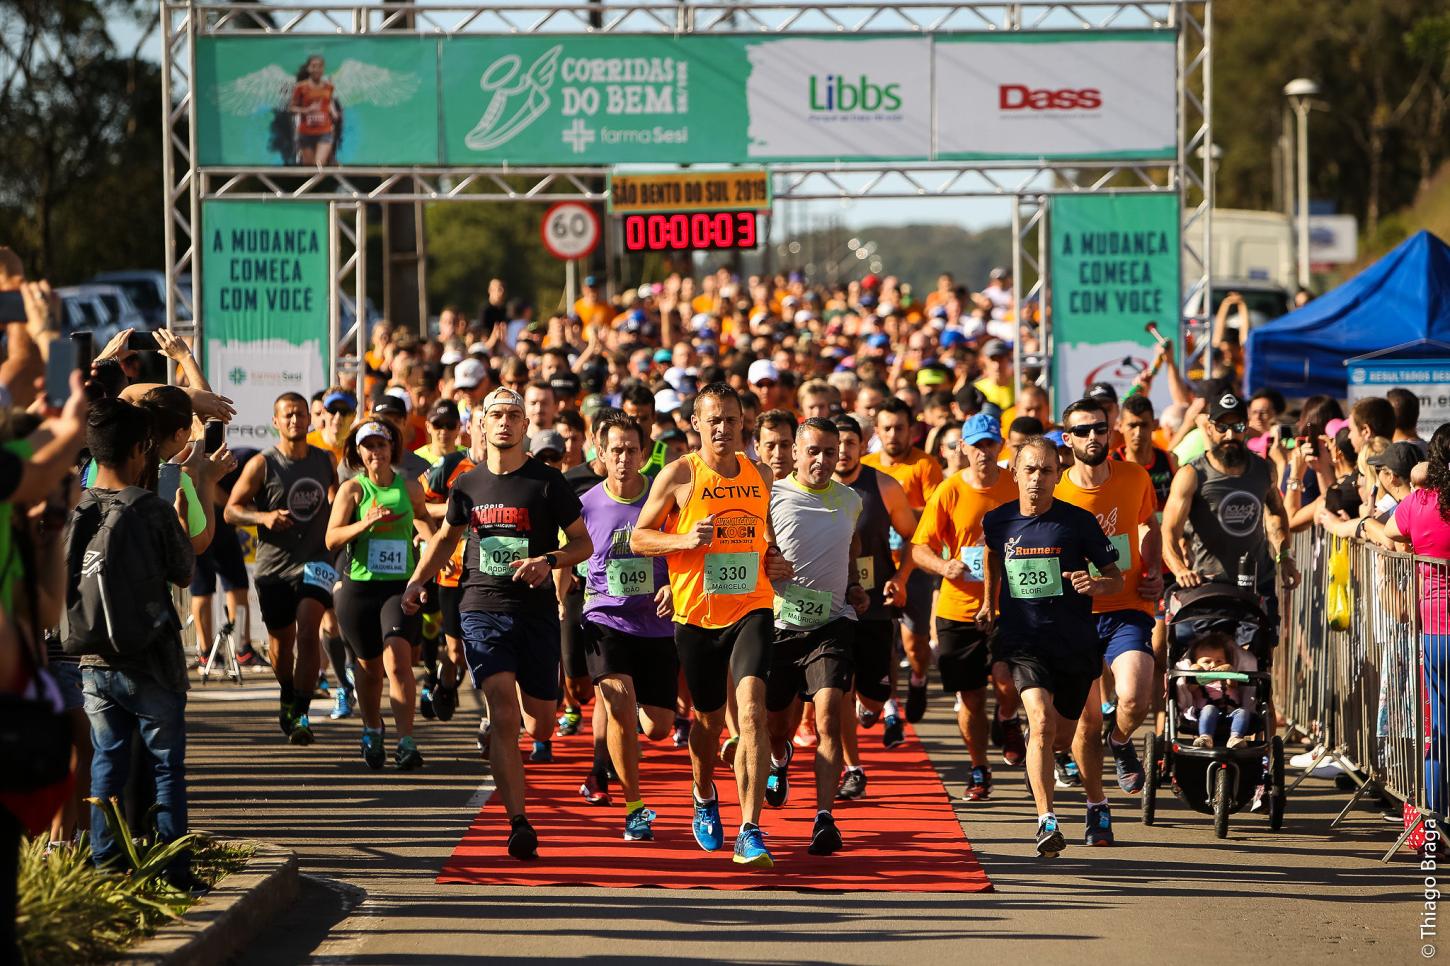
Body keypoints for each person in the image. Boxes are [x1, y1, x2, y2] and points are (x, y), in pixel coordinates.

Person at [402, 388, 592, 860]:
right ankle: (518, 822)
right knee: (504, 714)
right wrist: (415, 582)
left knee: (541, 724)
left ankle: (520, 734)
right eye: (496, 416)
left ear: (525, 426)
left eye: (513, 416)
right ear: (480, 427)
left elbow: (583, 544)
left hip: (536, 613)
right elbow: (446, 538)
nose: (504, 423)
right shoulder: (466, 484)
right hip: (481, 607)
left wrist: (548, 560)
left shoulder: (547, 482)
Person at [630, 383, 793, 869]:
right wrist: (682, 539)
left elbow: (761, 535)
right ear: (696, 426)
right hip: (698, 617)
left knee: (751, 713)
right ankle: (703, 793)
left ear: (744, 423)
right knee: (705, 724)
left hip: (752, 606)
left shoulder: (760, 472)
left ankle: (751, 829)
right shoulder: (679, 473)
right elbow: (639, 538)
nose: (723, 429)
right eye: (714, 420)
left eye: (732, 419)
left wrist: (772, 557)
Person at [67, 398, 203, 892]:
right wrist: (184, 515)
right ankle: (173, 871)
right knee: (166, 765)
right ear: (140, 450)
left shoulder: (76, 508)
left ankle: (107, 866)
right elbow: (183, 569)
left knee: (107, 760)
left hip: (91, 656)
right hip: (150, 659)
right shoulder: (150, 509)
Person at [977, 436, 1123, 858]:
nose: (1037, 479)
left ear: (1059, 476)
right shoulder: (998, 521)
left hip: (1074, 643)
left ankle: (1096, 801)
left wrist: (1097, 584)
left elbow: (1114, 575)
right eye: (1029, 470)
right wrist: (990, 601)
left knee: (1065, 736)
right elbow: (991, 558)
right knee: (1040, 723)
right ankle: (1047, 820)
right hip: (1024, 642)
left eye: (1046, 471)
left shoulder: (1079, 522)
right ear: (1014, 473)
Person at [1054, 398, 1163, 845]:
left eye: (1099, 428)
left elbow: (1147, 526)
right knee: (1085, 723)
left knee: (1136, 698)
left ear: (1110, 431)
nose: (1093, 437)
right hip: (1075, 616)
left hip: (1126, 607)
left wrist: (1154, 570)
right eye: (1082, 431)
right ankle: (1097, 807)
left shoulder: (1135, 477)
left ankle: (1121, 742)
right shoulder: (1056, 491)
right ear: (1068, 439)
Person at [763, 417, 866, 855]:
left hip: (832, 623)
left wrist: (857, 586)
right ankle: (778, 759)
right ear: (796, 453)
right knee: (777, 726)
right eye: (814, 451)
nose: (823, 460)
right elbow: (751, 543)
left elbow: (852, 544)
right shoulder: (772, 496)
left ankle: (825, 818)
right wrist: (766, 558)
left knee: (827, 717)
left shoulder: (851, 499)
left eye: (830, 451)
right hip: (780, 627)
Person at [578, 413, 677, 842]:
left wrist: (674, 584)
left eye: (630, 450)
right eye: (614, 450)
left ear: (644, 452)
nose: (622, 458)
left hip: (656, 624)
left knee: (658, 728)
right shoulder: (585, 504)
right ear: (600, 453)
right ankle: (634, 806)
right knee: (618, 704)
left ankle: (629, 725)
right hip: (605, 619)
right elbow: (571, 553)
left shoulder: (663, 501)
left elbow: (683, 551)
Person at [910, 413, 1020, 800]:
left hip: (1010, 605)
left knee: (1008, 682)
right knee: (970, 697)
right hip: (959, 608)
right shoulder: (949, 491)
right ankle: (979, 767)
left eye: (990, 444)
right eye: (976, 446)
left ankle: (1007, 716)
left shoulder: (1016, 486)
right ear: (963, 449)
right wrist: (944, 565)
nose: (984, 453)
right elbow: (919, 547)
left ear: (1000, 446)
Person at [225, 393, 339, 744]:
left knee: (308, 631)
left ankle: (302, 713)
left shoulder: (324, 459)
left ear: (310, 419)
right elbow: (231, 511)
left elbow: (336, 501)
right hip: (274, 567)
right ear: (276, 421)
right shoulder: (263, 464)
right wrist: (264, 517)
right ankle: (287, 692)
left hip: (315, 562)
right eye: (288, 415)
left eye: (301, 415)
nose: (295, 421)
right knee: (280, 642)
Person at [327, 420, 435, 770]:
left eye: (381, 445)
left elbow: (420, 518)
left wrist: (431, 544)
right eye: (368, 446)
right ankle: (372, 729)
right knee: (369, 668)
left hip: (398, 587)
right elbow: (331, 539)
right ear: (358, 453)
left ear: (393, 449)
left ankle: (407, 741)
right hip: (359, 589)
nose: (376, 452)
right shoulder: (352, 491)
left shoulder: (409, 487)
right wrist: (365, 522)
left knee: (399, 662)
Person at [832, 414, 920, 795]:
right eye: (835, 443)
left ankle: (872, 707)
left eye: (850, 443)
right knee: (839, 691)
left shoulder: (883, 486)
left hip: (875, 602)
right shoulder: (808, 490)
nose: (842, 451)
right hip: (831, 602)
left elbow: (915, 540)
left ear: (863, 446)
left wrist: (899, 579)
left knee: (872, 694)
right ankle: (853, 769)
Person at [862, 398, 937, 725]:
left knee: (914, 643)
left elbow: (936, 516)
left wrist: (898, 514)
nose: (894, 434)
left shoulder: (925, 466)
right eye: (887, 428)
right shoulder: (864, 465)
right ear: (877, 430)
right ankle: (886, 700)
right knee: (882, 639)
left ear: (913, 431)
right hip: (874, 564)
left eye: (900, 428)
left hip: (915, 565)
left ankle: (918, 678)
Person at [1177, 633, 1253, 749]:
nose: (1213, 665)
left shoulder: (1227, 679)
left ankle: (1235, 738)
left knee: (1243, 712)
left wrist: (1230, 670)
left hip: (1230, 713)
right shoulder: (1197, 681)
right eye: (1207, 662)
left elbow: (1233, 684)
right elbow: (1190, 687)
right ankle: (1205, 737)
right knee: (1209, 709)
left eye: (1219, 661)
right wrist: (1196, 671)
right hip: (1203, 714)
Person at [290, 54, 339, 165]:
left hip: (324, 132)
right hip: (305, 133)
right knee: (309, 168)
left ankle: (331, 160)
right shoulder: (300, 87)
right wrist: (306, 110)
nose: (317, 69)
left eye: (320, 66)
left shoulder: (329, 87)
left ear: (323, 69)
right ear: (308, 68)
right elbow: (291, 108)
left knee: (319, 165)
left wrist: (333, 112)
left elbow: (328, 102)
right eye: (313, 66)